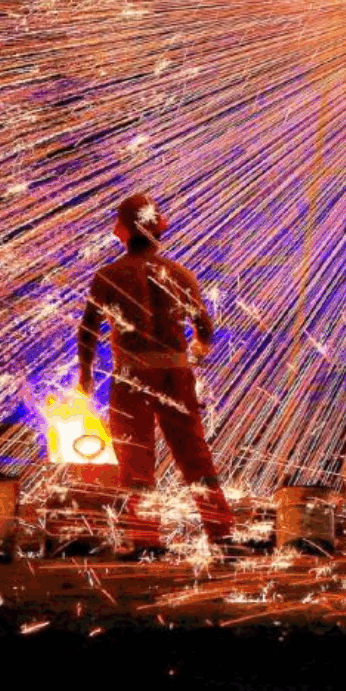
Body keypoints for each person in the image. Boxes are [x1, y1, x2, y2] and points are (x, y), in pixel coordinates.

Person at [77, 193, 232, 552]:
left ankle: (146, 540)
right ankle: (222, 537)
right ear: (158, 230)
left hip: (132, 376)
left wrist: (85, 375)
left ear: (122, 232)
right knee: (195, 458)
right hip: (175, 376)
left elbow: (88, 331)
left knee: (136, 462)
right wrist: (195, 351)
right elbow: (205, 328)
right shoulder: (180, 274)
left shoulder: (109, 275)